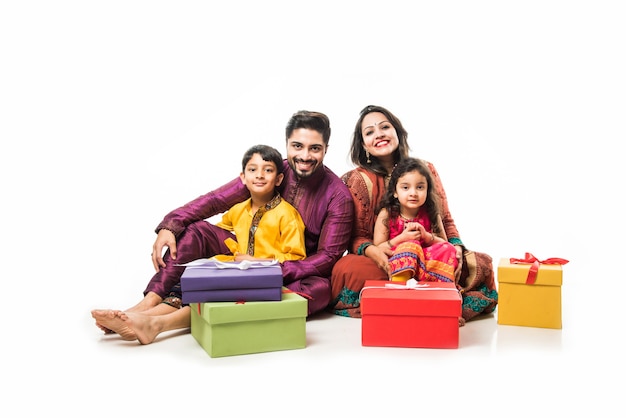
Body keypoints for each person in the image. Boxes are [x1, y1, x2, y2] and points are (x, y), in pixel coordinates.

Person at [92, 111, 354, 344]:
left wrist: (265, 266)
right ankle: (143, 307)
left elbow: (327, 258)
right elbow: (216, 200)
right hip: (242, 254)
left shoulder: (338, 196)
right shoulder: (270, 170)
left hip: (293, 272)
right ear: (286, 144)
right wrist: (171, 224)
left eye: (314, 148)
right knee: (197, 231)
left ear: (326, 149)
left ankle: (158, 323)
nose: (305, 156)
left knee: (315, 291)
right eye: (297, 146)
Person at [329, 105, 497, 325]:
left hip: (431, 255)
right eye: (369, 132)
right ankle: (423, 296)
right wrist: (377, 252)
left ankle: (439, 300)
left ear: (397, 132)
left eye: (385, 127)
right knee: (347, 268)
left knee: (479, 261)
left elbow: (445, 220)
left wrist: (455, 248)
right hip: (387, 256)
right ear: (364, 145)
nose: (379, 134)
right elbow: (356, 237)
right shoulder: (357, 179)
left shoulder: (426, 169)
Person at [373, 157, 458, 283]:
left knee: (450, 249)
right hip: (399, 261)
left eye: (419, 187)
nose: (413, 193)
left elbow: (444, 243)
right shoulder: (387, 214)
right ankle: (400, 286)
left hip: (426, 262)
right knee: (412, 246)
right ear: (395, 192)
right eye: (406, 188)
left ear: (427, 190)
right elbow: (379, 247)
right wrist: (402, 238)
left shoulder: (431, 213)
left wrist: (427, 236)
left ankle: (434, 286)